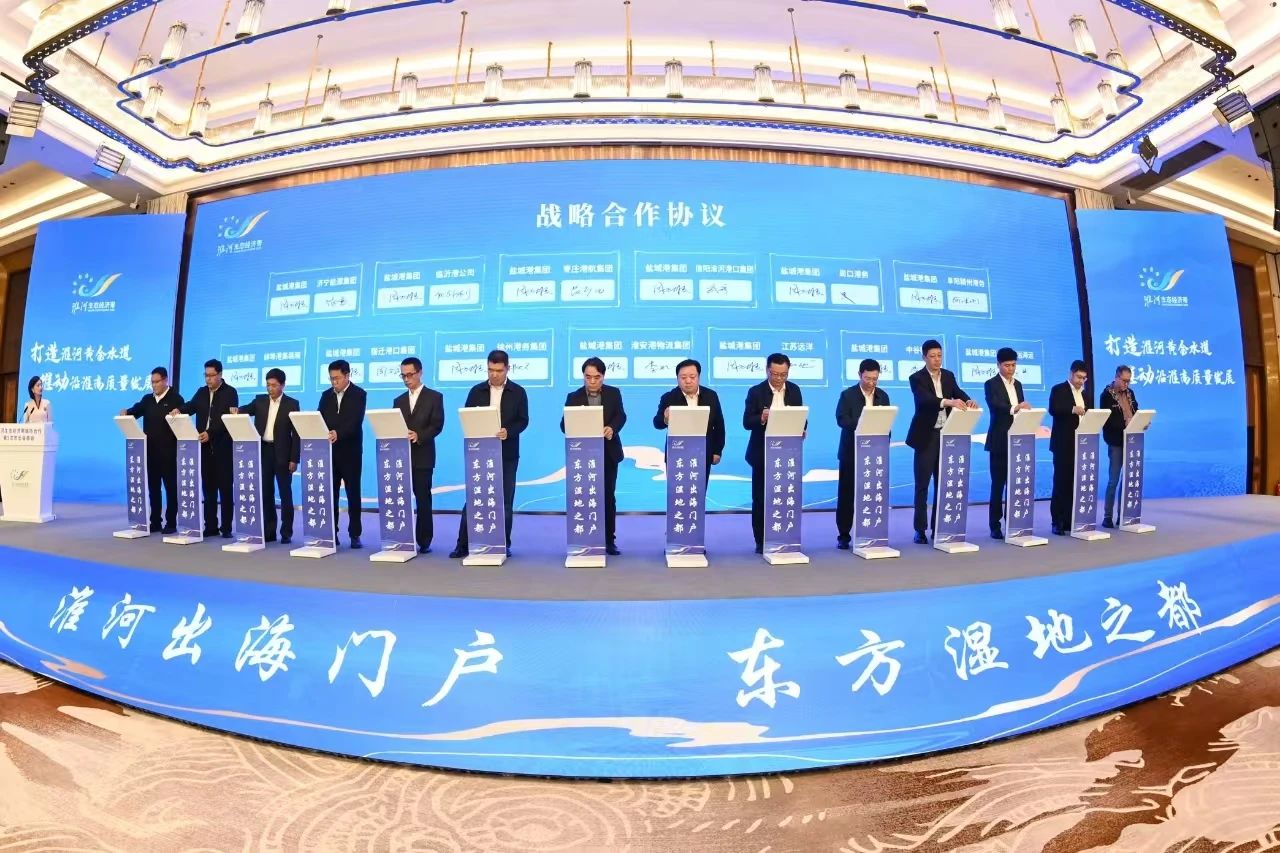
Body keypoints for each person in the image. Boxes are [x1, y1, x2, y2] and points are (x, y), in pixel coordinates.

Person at [450, 350, 529, 559]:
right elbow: (467, 417)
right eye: (490, 370)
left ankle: (503, 544)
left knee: (505, 500)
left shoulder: (518, 392)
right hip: (480, 453)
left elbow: (523, 420)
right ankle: (462, 545)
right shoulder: (476, 391)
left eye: (499, 370)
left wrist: (508, 431)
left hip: (507, 453)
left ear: (507, 369)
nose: (494, 374)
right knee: (474, 498)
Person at [905, 339, 977, 544]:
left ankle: (939, 527)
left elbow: (958, 393)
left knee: (943, 484)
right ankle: (920, 529)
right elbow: (925, 400)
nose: (937, 359)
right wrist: (948, 402)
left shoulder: (948, 375)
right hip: (926, 437)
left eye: (939, 355)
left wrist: (968, 400)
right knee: (922, 485)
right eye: (932, 356)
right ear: (924, 357)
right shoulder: (916, 378)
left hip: (947, 437)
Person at [560, 357, 627, 555]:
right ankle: (584, 538)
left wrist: (612, 428)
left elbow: (621, 416)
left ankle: (609, 540)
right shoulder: (573, 397)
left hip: (608, 453)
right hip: (582, 456)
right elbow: (564, 425)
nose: (592, 381)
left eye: (596, 377)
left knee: (607, 497)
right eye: (588, 377)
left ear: (603, 376)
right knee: (584, 496)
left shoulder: (614, 393)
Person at [743, 353, 803, 554]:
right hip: (762, 454)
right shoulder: (756, 391)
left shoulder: (794, 390)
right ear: (767, 370)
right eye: (775, 374)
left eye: (783, 374)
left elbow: (801, 417)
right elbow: (746, 422)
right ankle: (760, 541)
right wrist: (761, 417)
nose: (778, 378)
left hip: (788, 455)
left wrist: (802, 428)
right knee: (761, 499)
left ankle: (785, 536)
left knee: (786, 497)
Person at [171, 359, 238, 538]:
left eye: (211, 375)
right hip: (204, 448)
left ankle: (226, 527)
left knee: (225, 489)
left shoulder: (230, 392)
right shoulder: (201, 392)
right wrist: (179, 410)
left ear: (220, 374)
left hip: (223, 449)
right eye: (206, 375)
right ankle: (210, 526)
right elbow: (191, 406)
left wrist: (211, 433)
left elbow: (226, 419)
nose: (208, 379)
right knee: (208, 490)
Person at [232, 368, 300, 544]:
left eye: (274, 385)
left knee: (285, 493)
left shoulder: (292, 404)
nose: (270, 389)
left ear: (282, 385)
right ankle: (269, 531)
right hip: (264, 452)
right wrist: (236, 410)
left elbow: (296, 434)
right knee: (266, 493)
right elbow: (245, 410)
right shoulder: (260, 401)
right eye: (268, 385)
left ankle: (286, 532)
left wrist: (294, 459)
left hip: (283, 454)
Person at [120, 367, 185, 533]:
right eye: (152, 382)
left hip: (169, 453)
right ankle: (155, 521)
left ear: (165, 380)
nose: (154, 385)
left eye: (157, 382)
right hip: (150, 452)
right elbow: (135, 411)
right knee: (153, 488)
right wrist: (126, 412)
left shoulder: (176, 399)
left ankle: (171, 523)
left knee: (171, 488)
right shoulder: (147, 399)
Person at [835, 358, 890, 549]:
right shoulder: (848, 395)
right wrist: (864, 423)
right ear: (860, 375)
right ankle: (843, 535)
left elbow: (887, 422)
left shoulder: (883, 396)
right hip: (851, 453)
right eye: (868, 378)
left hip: (874, 454)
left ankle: (871, 532)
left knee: (872, 494)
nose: (871, 382)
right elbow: (841, 419)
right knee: (847, 495)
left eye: (875, 379)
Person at [393, 357, 444, 554]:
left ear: (420, 373)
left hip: (423, 456)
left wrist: (419, 435)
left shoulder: (434, 397)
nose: (407, 379)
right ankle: (402, 537)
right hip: (401, 457)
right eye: (403, 376)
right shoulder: (398, 401)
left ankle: (424, 540)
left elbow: (437, 425)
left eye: (410, 375)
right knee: (401, 498)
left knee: (423, 498)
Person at [318, 359, 367, 549]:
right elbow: (319, 418)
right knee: (331, 494)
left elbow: (355, 422)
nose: (334, 382)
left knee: (353, 494)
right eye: (331, 378)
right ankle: (332, 533)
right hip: (330, 452)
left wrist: (338, 433)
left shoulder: (359, 394)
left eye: (337, 378)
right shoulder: (326, 396)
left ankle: (355, 534)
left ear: (347, 375)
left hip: (351, 453)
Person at [983, 347, 1030, 540]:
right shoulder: (991, 384)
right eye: (1007, 365)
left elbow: (1021, 407)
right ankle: (994, 525)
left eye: (1013, 365)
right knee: (998, 484)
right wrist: (1015, 408)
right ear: (998, 365)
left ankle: (1013, 522)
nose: (1010, 369)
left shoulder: (1018, 384)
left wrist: (1024, 410)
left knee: (1014, 484)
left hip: (1017, 441)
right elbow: (995, 406)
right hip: (999, 440)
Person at [652, 357, 726, 465]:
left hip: (704, 452)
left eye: (692, 377)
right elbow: (657, 423)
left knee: (701, 477)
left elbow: (719, 425)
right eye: (683, 377)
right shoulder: (669, 397)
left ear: (698, 377)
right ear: (677, 378)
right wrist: (666, 420)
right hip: (677, 453)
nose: (688, 381)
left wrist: (717, 451)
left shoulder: (711, 396)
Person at [1049, 359, 1092, 535]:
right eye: (1078, 377)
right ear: (1071, 374)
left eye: (1084, 378)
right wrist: (1072, 409)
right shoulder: (1058, 389)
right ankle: (1057, 521)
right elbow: (1054, 409)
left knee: (1075, 483)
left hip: (1081, 445)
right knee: (1061, 482)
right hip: (1063, 444)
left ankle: (1069, 519)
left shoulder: (1086, 395)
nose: (1081, 381)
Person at [1098, 364, 1138, 529]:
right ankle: (1107, 516)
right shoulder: (1106, 395)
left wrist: (1140, 421)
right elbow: (1108, 421)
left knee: (1128, 480)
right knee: (1113, 480)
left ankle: (1123, 515)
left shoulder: (1130, 393)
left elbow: (1136, 411)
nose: (1126, 384)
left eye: (1129, 381)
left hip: (1132, 441)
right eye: (1124, 380)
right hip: (1116, 442)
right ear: (1116, 377)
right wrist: (1125, 423)